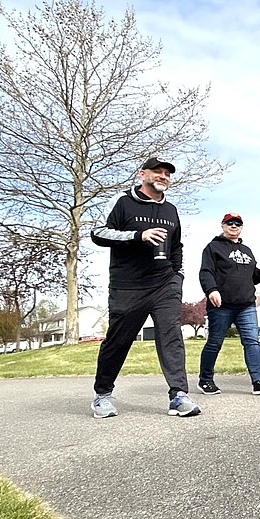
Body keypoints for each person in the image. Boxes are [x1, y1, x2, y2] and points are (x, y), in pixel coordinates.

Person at [89, 158, 200, 419]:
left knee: (171, 335)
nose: (163, 176)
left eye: (167, 174)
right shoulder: (122, 202)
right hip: (128, 286)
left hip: (164, 284)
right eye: (157, 172)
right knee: (119, 340)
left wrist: (178, 275)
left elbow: (177, 246)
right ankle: (102, 395)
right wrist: (138, 236)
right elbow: (98, 233)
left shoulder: (171, 210)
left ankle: (178, 395)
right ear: (142, 174)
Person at [197, 213, 260, 396]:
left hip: (246, 305)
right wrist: (211, 290)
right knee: (214, 343)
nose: (233, 226)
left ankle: (258, 381)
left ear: (241, 227)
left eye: (237, 223)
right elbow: (205, 272)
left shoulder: (247, 250)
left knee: (252, 342)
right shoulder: (213, 248)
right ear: (223, 225)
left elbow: (252, 277)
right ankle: (205, 380)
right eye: (229, 223)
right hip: (221, 304)